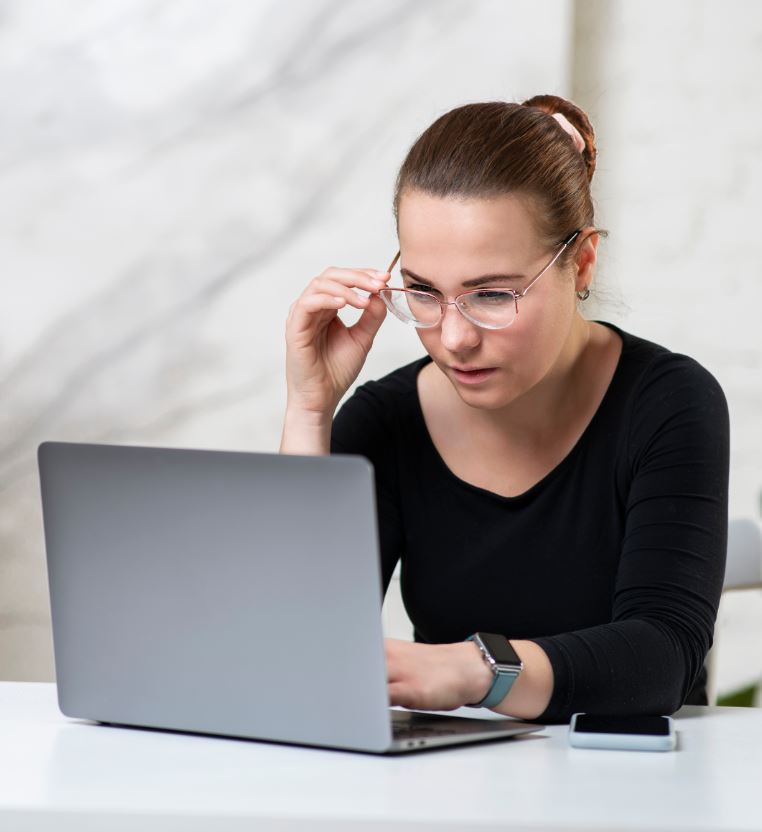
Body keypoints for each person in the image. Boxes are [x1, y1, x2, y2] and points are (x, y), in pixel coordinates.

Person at [280, 95, 730, 724]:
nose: (455, 337)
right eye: (425, 293)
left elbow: (662, 656)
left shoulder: (667, 403)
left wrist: (474, 670)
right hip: (443, 788)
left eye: (491, 294)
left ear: (582, 263)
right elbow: (299, 656)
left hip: (630, 787)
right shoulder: (385, 421)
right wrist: (309, 410)